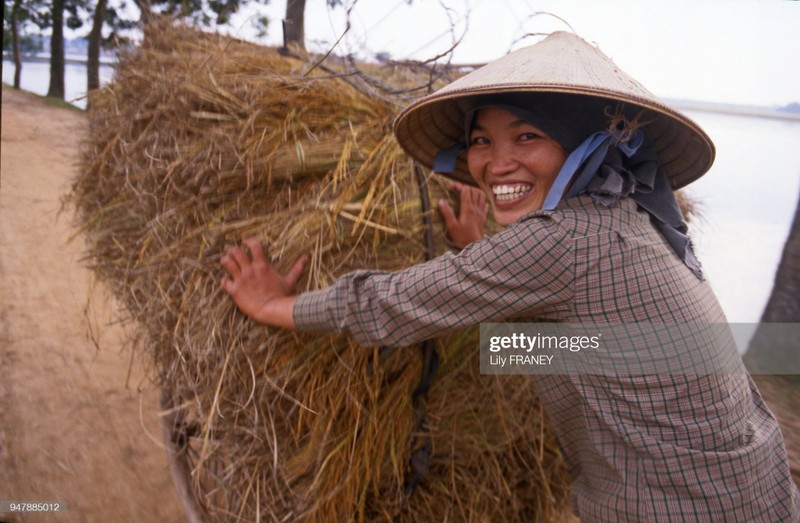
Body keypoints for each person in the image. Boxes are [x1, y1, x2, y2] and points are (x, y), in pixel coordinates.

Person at [220, 32, 800, 521]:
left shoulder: (566, 239)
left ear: (584, 145)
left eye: (528, 136)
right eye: (480, 141)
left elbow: (391, 305)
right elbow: (588, 348)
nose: (495, 163)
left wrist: (272, 306)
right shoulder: (634, 214)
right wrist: (483, 261)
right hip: (756, 487)